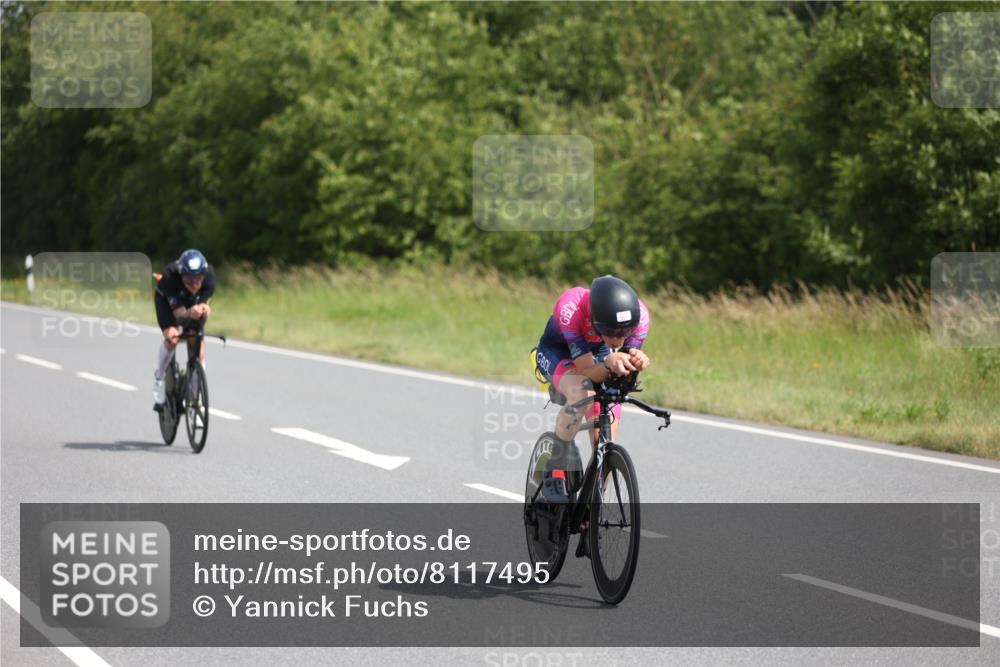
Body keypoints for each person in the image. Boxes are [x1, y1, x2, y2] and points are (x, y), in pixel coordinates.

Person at [532, 275, 651, 505]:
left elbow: (621, 369)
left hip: (597, 356)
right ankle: (555, 469)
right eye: (612, 332)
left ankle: (593, 502)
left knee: (610, 412)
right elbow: (586, 371)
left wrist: (636, 362)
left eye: (625, 332)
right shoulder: (571, 307)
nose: (618, 340)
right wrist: (608, 364)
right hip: (559, 353)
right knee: (582, 392)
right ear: (596, 321)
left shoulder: (641, 317)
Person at [152, 249, 215, 407]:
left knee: (196, 341)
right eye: (189, 279)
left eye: (198, 278)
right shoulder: (170, 278)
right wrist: (190, 312)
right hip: (167, 303)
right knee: (172, 338)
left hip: (190, 303)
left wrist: (204, 309)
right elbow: (180, 315)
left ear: (204, 274)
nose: (194, 284)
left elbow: (204, 303)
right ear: (181, 275)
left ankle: (196, 397)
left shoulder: (209, 278)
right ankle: (159, 378)